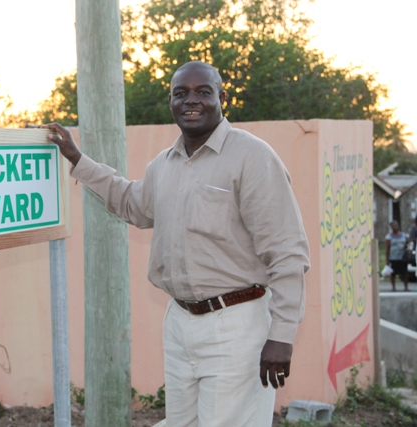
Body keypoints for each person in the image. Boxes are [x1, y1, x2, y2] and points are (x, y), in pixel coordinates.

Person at [43, 61, 310, 427]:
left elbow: (287, 252)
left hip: (236, 324)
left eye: (203, 92)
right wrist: (77, 159)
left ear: (222, 98)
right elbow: (131, 204)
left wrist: (282, 336)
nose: (191, 101)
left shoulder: (252, 157)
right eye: (181, 93)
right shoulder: (164, 165)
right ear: (170, 101)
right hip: (181, 324)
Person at [385, 220, 409, 292]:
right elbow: (387, 248)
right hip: (393, 257)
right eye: (393, 226)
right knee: (393, 273)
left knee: (404, 273)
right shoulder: (389, 237)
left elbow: (408, 243)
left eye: (396, 225)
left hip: (402, 257)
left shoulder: (404, 235)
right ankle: (393, 287)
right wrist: (387, 259)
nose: (395, 227)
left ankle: (406, 287)